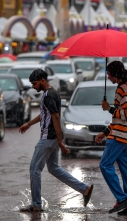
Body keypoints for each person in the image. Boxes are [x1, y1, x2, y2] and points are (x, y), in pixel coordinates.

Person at [19, 69, 93, 211]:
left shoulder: (48, 95)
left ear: (42, 81)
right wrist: (28, 124)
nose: (34, 87)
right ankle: (85, 189)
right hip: (52, 138)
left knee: (35, 169)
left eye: (35, 83)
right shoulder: (53, 92)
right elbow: (45, 114)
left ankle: (36, 205)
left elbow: (56, 117)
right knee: (53, 168)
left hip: (48, 138)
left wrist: (60, 142)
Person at [95, 61, 127, 216]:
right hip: (125, 134)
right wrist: (105, 132)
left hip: (120, 136)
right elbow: (121, 118)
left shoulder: (123, 89)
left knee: (105, 165)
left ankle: (122, 198)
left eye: (109, 74)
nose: (108, 77)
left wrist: (109, 108)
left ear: (115, 73)